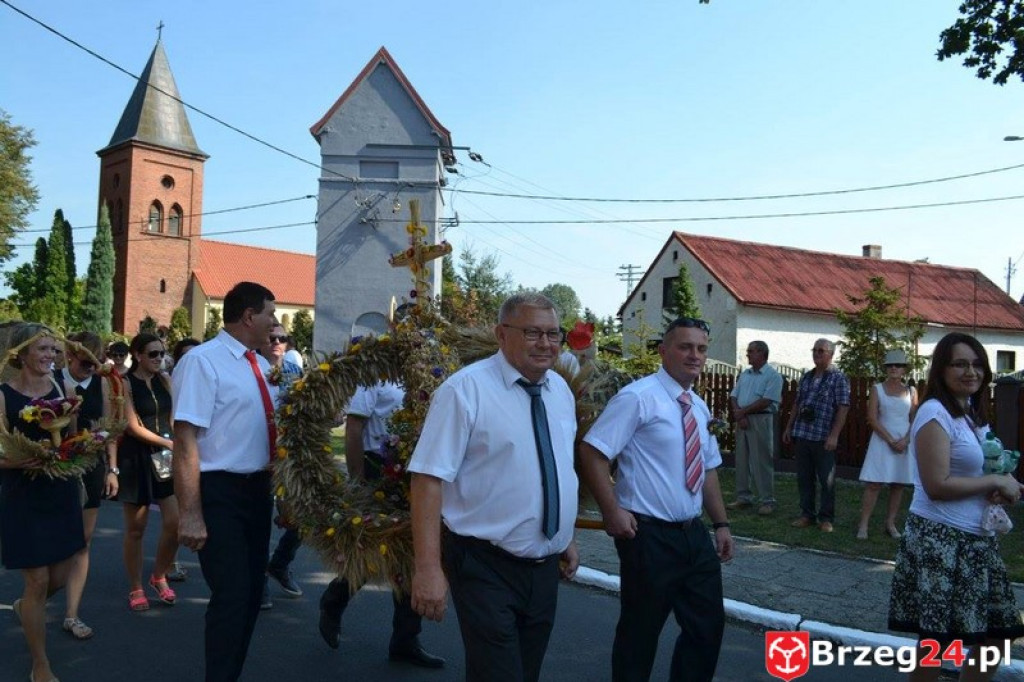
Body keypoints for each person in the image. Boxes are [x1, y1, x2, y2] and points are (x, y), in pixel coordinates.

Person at [408, 292, 580, 682]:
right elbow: (427, 479)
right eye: (532, 332)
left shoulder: (560, 392)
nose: (545, 343)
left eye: (553, 333)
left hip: (544, 570)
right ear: (502, 334)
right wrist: (427, 568)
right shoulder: (464, 391)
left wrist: (565, 534)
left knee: (526, 672)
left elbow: (556, 466)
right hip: (484, 564)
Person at [579, 316, 733, 682]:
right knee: (640, 634)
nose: (694, 355)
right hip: (647, 537)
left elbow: (708, 469)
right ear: (664, 351)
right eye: (685, 347)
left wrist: (721, 524)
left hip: (693, 535)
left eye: (701, 348)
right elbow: (592, 452)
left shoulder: (698, 406)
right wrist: (612, 511)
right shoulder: (638, 398)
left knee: (707, 628)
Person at [888, 333, 1024, 681]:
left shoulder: (969, 413)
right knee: (936, 642)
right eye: (960, 364)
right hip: (940, 540)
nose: (971, 372)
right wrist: (994, 482)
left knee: (998, 634)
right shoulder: (934, 412)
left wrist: (1001, 486)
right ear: (942, 369)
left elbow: (975, 472)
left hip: (977, 541)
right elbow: (937, 485)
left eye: (977, 364)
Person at [172, 281, 279, 682]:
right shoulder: (202, 362)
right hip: (219, 492)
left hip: (258, 491)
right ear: (249, 316)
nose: (276, 324)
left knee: (250, 595)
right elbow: (185, 440)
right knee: (232, 595)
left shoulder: (262, 366)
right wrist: (190, 513)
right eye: (270, 314)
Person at [317, 380, 445, 667]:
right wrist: (358, 480)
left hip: (414, 464)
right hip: (377, 466)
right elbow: (354, 427)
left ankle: (405, 639)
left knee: (413, 551)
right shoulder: (375, 377)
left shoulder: (424, 370)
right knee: (375, 550)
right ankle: (335, 598)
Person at [0, 323, 82, 682]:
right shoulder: (3, 396)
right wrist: (21, 461)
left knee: (59, 578)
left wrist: (81, 449)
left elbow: (72, 439)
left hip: (60, 491)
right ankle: (40, 665)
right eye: (43, 349)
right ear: (22, 354)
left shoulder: (63, 388)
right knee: (37, 580)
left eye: (53, 349)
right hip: (22, 495)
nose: (51, 355)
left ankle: (25, 607)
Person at [59, 332, 119, 639]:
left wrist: (112, 469)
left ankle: (71, 614)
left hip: (92, 465)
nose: (91, 369)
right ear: (70, 356)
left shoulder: (102, 384)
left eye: (96, 363)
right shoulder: (54, 381)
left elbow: (108, 429)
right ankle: (35, 599)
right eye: (86, 363)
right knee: (56, 541)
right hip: (57, 467)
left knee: (83, 539)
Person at [118, 332, 180, 611]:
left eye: (162, 354)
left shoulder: (165, 380)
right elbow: (131, 426)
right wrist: (167, 442)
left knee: (175, 522)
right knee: (136, 529)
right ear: (138, 355)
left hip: (165, 455)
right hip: (137, 457)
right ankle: (136, 587)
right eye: (153, 354)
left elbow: (173, 417)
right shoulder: (124, 383)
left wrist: (175, 441)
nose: (159, 359)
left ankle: (159, 575)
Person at [783, 338, 850, 533]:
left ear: (831, 354)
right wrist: (788, 427)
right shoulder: (807, 376)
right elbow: (797, 403)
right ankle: (807, 515)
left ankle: (826, 518)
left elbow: (843, 408)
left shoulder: (838, 378)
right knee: (804, 478)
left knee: (826, 480)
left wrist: (834, 435)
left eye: (821, 351)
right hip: (803, 433)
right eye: (815, 350)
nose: (817, 354)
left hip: (823, 436)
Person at [261, 323, 303, 609]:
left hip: (290, 455)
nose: (277, 342)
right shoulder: (252, 369)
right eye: (272, 337)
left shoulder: (293, 371)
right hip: (260, 456)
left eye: (282, 338)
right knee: (261, 521)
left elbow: (303, 406)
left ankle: (279, 563)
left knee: (301, 518)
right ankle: (259, 581)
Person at [856, 348, 918, 540]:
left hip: (904, 442)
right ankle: (863, 524)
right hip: (882, 441)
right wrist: (891, 440)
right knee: (874, 483)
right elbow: (872, 418)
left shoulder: (911, 391)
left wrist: (906, 440)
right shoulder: (877, 389)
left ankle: (890, 523)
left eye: (898, 365)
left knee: (898, 484)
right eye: (890, 365)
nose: (894, 368)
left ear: (904, 369)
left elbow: (914, 419)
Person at [726, 340, 783, 516]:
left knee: (761, 460)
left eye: (751, 351)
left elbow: (766, 401)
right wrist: (739, 414)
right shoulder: (745, 374)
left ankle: (767, 500)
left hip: (760, 419)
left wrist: (742, 413)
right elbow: (734, 395)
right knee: (741, 459)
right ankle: (743, 497)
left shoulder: (773, 376)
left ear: (762, 354)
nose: (748, 354)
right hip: (743, 419)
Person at [166, 336, 202, 582]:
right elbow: (178, 421)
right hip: (172, 448)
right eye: (185, 356)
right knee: (174, 516)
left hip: (195, 451)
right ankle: (168, 563)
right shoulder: (172, 379)